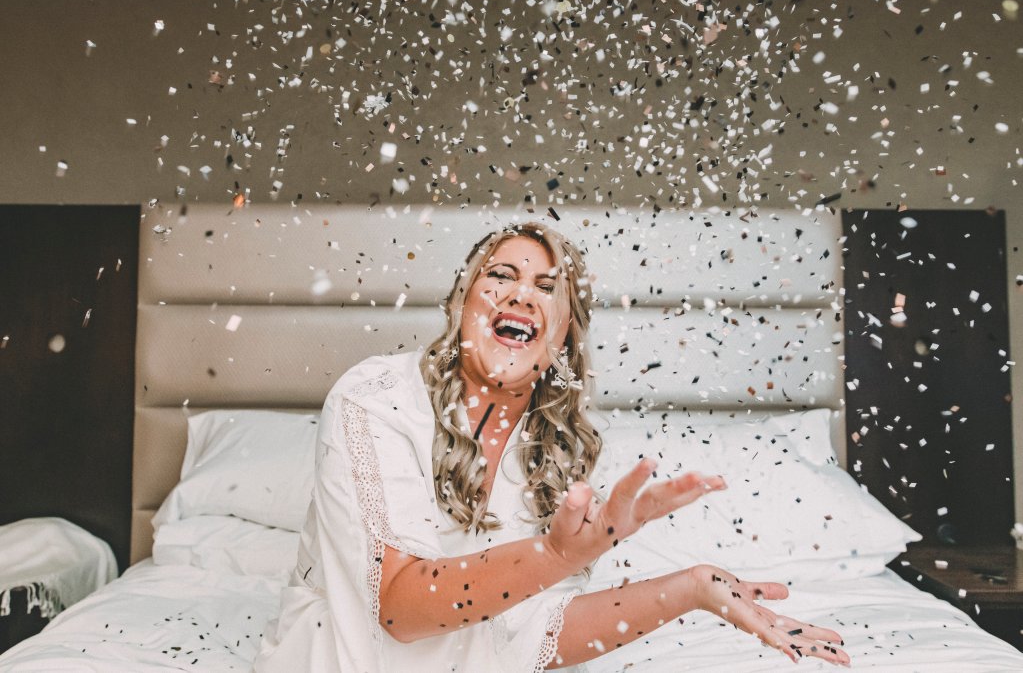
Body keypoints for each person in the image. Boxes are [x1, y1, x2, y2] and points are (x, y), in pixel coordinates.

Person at [253, 222, 850, 672]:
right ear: (465, 303)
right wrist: (556, 555)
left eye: (547, 286)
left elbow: (535, 633)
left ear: (563, 334)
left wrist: (692, 587)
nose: (521, 295)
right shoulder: (375, 398)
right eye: (500, 276)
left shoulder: (563, 455)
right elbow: (401, 608)